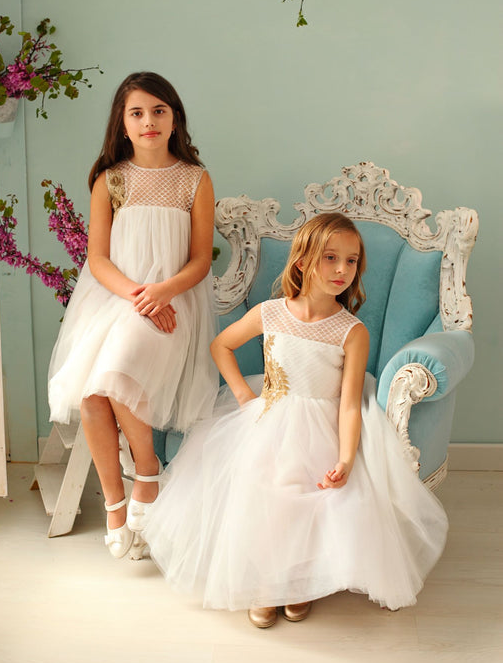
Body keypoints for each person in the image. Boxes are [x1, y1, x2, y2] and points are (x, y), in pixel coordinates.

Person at [143, 213, 448, 626]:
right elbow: (221, 346)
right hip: (271, 416)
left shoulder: (351, 331)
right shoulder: (272, 313)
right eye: (331, 258)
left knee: (313, 496)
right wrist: (243, 396)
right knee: (265, 490)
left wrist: (344, 458)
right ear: (303, 261)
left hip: (323, 423)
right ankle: (267, 583)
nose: (342, 270)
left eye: (352, 261)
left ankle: (300, 582)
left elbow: (347, 402)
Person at [48, 71, 218, 559]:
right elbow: (97, 259)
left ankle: (147, 470)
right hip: (118, 301)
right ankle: (116, 503)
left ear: (174, 119)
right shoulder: (111, 180)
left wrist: (161, 294)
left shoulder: (194, 179)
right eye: (137, 113)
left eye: (158, 111)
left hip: (172, 306)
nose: (148, 121)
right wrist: (138, 296)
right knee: (92, 399)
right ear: (122, 124)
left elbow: (200, 259)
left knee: (113, 375)